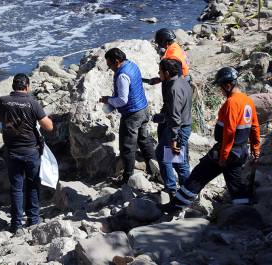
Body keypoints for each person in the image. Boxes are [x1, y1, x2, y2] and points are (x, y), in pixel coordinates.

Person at [163, 67, 261, 214]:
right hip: (240, 152)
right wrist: (256, 150)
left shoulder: (232, 103)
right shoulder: (248, 101)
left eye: (221, 87)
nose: (221, 91)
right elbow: (254, 128)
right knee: (235, 185)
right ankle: (244, 214)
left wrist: (223, 157)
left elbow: (229, 133)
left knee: (198, 176)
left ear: (228, 85)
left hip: (225, 151)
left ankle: (174, 207)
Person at [0, 73, 53, 235]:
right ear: (27, 87)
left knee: (16, 188)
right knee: (33, 185)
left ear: (13, 86)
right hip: (31, 151)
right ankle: (33, 221)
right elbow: (49, 127)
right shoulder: (32, 103)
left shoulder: (3, 101)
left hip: (12, 151)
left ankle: (16, 225)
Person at [99, 48, 158, 185]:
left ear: (117, 61)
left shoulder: (122, 75)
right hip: (143, 108)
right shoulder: (132, 65)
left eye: (110, 65)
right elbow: (137, 80)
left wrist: (108, 100)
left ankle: (127, 178)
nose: (110, 68)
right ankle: (155, 170)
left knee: (127, 146)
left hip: (132, 114)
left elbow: (122, 100)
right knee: (144, 140)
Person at [155, 59, 193, 199]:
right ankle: (187, 190)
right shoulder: (183, 81)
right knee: (178, 160)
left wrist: (173, 139)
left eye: (160, 71)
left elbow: (175, 117)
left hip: (179, 128)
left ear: (166, 73)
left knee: (164, 156)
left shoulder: (173, 88)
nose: (158, 74)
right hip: (184, 125)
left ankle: (172, 190)